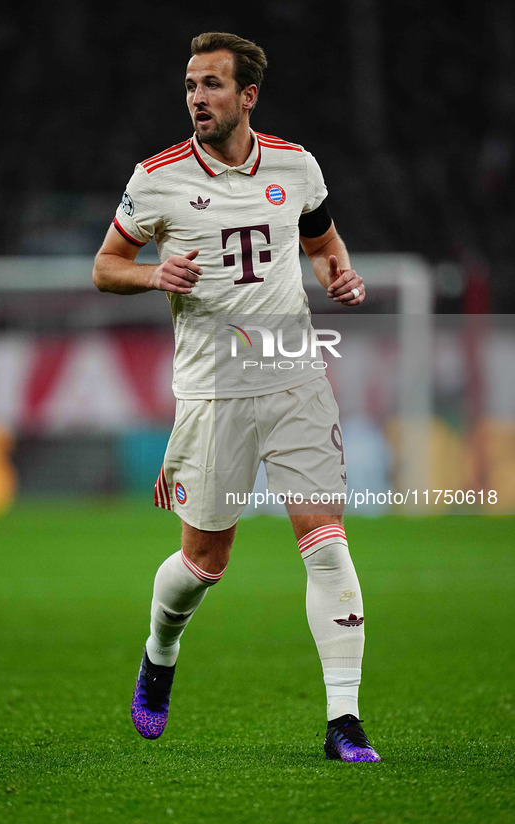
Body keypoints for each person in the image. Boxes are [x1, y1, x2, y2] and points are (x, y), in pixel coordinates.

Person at [93, 31, 380, 763]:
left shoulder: (295, 164)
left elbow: (322, 245)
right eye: (191, 85)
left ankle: (342, 720)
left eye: (212, 85)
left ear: (246, 96)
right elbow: (105, 266)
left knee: (324, 541)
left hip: (294, 379)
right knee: (202, 563)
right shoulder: (155, 178)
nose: (197, 97)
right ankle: (160, 651)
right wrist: (153, 276)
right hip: (213, 390)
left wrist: (338, 278)